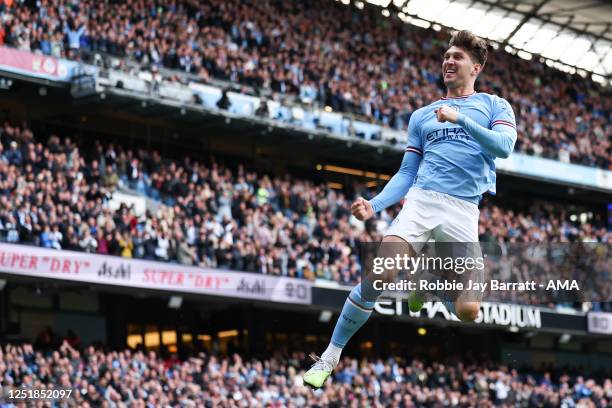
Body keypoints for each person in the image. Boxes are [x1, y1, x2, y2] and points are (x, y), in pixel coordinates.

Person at [303, 30, 517, 389]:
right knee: (379, 276)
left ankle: (428, 282)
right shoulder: (422, 115)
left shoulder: (495, 106)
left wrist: (460, 119)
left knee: (468, 310)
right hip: (422, 201)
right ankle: (329, 357)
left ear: (476, 67)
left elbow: (505, 147)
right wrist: (374, 204)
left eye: (458, 57)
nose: (449, 61)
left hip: (463, 211)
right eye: (447, 55)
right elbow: (407, 173)